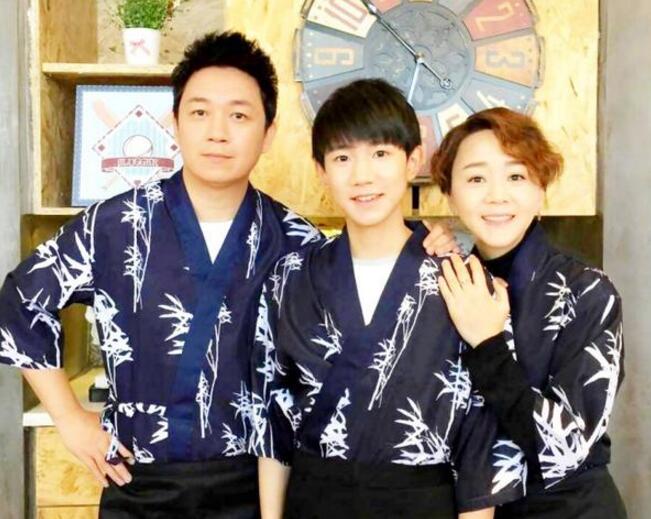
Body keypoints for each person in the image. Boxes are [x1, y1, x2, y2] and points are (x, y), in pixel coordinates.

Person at [0, 32, 455, 517]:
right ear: (175, 122)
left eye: (239, 115)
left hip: (254, 487)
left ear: (269, 133)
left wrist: (423, 240)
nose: (218, 132)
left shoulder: (296, 241)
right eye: (200, 113)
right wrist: (68, 417)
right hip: (140, 483)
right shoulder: (115, 224)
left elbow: (362, 311)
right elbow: (20, 301)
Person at [250, 80, 526, 519]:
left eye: (380, 154)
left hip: (422, 503)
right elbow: (272, 414)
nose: (362, 176)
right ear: (321, 170)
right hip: (314, 500)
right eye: (343, 158)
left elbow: (482, 435)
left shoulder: (464, 281)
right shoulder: (291, 278)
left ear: (413, 160)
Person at [432, 107, 627, 518]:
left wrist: (487, 343)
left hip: (570, 509)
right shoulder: (447, 282)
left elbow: (566, 447)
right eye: (476, 179)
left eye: (516, 176)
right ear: (449, 194)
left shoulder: (588, 292)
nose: (497, 196)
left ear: (541, 189)